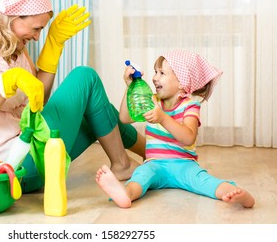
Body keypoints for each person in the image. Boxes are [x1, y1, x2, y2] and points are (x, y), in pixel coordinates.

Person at [0, 0, 145, 193]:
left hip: (29, 145)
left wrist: (53, 46)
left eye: (41, 31)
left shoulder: (14, 43)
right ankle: (123, 165)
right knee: (85, 77)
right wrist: (4, 83)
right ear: (13, 15)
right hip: (9, 166)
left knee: (100, 111)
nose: (36, 37)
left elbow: (38, 102)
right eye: (36, 29)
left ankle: (158, 153)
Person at [96, 49, 255, 208]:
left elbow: (188, 137)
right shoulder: (152, 100)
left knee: (203, 181)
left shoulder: (190, 106)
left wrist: (163, 118)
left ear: (181, 82)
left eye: (162, 73)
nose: (154, 77)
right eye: (155, 72)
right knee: (140, 175)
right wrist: (130, 87)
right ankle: (126, 194)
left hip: (184, 164)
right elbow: (124, 118)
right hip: (154, 163)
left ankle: (235, 192)